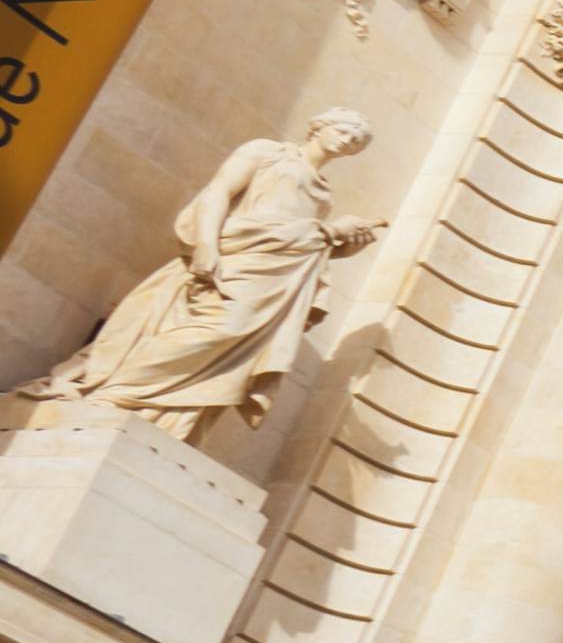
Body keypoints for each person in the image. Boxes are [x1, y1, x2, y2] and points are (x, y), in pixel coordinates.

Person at [26, 113, 378, 441]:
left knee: (232, 348)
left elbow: (296, 240)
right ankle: (115, 392)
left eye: (356, 140)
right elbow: (219, 193)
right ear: (318, 127)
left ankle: (154, 413)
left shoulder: (324, 194)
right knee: (220, 328)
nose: (348, 140)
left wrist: (337, 244)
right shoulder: (267, 152)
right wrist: (206, 244)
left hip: (272, 281)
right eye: (343, 130)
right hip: (234, 258)